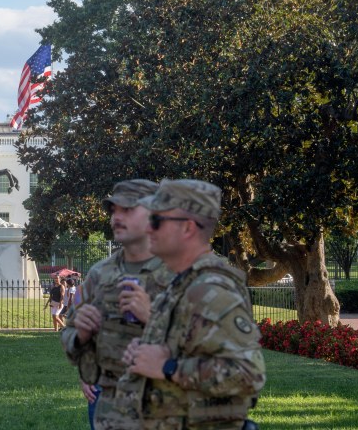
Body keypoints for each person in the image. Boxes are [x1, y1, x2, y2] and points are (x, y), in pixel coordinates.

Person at [120, 179, 266, 429]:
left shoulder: (211, 288)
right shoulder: (181, 285)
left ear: (187, 228)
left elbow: (247, 373)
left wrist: (167, 367)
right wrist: (144, 352)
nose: (148, 230)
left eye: (156, 221)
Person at [61, 179, 173, 430]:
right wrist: (82, 349)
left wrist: (151, 317)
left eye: (128, 210)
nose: (116, 218)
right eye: (114, 210)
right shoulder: (99, 273)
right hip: (106, 400)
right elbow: (70, 330)